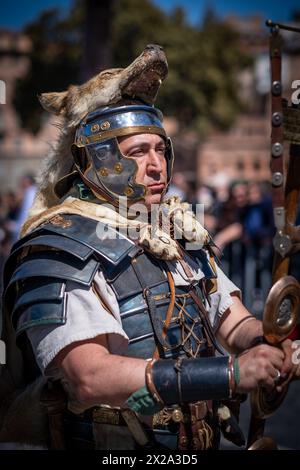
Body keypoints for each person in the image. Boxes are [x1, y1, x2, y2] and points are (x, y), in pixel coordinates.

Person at [0, 45, 299, 451]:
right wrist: (230, 374)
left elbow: (228, 319)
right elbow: (88, 377)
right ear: (98, 160)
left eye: (160, 149)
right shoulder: (58, 246)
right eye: (138, 152)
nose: (156, 165)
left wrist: (261, 345)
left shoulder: (175, 229)